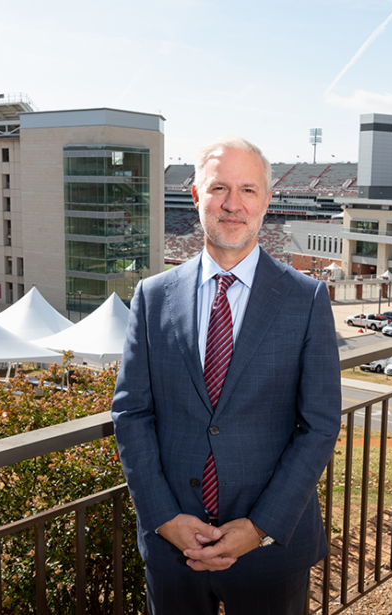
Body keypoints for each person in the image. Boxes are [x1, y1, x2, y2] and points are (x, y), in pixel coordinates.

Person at [111, 136, 341, 614]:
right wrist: (164, 517)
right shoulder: (153, 297)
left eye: (248, 190)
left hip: (271, 549)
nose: (232, 204)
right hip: (175, 548)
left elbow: (318, 425)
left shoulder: (307, 299)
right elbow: (131, 413)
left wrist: (259, 527)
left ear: (267, 199)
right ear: (195, 196)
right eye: (218, 188)